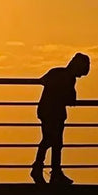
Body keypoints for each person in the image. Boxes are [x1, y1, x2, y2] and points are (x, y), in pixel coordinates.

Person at [30, 52, 90, 185]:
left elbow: (44, 81)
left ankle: (49, 170)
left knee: (53, 141)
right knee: (51, 140)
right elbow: (70, 99)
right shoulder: (63, 76)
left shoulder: (58, 73)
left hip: (50, 111)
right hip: (52, 112)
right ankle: (44, 169)